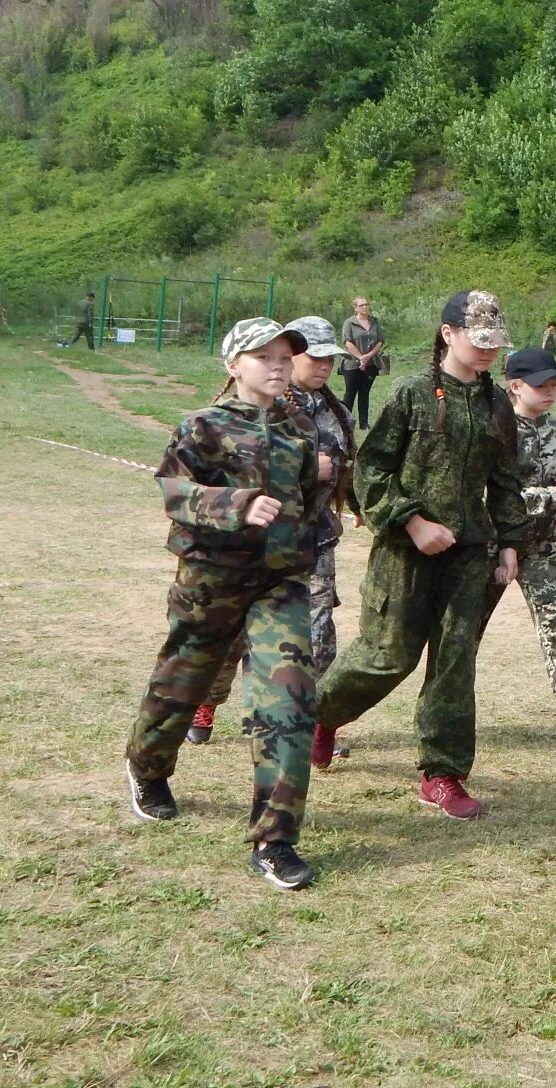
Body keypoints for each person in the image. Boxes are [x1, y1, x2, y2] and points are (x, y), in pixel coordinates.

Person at [309, 291, 525, 821]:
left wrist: (512, 542)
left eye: (495, 345)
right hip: (404, 551)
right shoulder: (410, 393)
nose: (487, 353)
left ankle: (443, 773)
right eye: (478, 342)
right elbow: (370, 471)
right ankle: (316, 716)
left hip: (469, 552)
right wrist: (413, 521)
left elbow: (504, 481)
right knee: (388, 655)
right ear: (447, 334)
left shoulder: (498, 404)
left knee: (455, 661)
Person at [125, 317, 325, 889]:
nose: (279, 364)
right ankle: (148, 767)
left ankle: (275, 839)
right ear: (234, 365)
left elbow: (309, 498)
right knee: (182, 682)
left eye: (285, 355)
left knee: (289, 696)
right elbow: (174, 491)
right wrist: (238, 504)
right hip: (211, 581)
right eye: (264, 356)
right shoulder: (202, 426)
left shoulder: (299, 426)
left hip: (278, 582)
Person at [188, 316, 355, 756]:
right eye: (314, 357)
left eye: (330, 360)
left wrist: (353, 502)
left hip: (313, 542)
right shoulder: (270, 409)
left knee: (314, 641)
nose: (323, 366)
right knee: (231, 638)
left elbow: (348, 467)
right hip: (254, 544)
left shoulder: (338, 412)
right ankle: (206, 703)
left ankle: (291, 721)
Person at [481, 347, 556, 709]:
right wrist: (549, 497)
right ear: (514, 386)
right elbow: (488, 497)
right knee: (463, 635)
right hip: (490, 549)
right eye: (541, 385)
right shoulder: (496, 431)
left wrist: (555, 517)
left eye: (554, 384)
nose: (549, 392)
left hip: (541, 549)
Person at [339, 297, 385, 429]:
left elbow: (380, 341)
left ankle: (364, 423)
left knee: (364, 393)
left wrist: (368, 356)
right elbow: (347, 342)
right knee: (350, 393)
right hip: (352, 364)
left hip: (371, 363)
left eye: (366, 304)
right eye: (361, 305)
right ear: (355, 308)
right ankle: (344, 422)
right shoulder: (349, 323)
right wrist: (360, 358)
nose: (365, 307)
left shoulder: (375, 322)